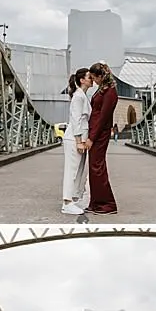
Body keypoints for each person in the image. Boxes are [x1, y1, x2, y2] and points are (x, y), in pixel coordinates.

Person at [84, 62, 118, 215]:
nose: (93, 81)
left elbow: (103, 117)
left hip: (100, 133)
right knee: (94, 167)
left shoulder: (110, 92)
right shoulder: (103, 89)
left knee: (97, 168)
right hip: (96, 131)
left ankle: (107, 204)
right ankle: (95, 202)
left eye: (94, 78)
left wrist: (92, 137)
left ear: (100, 76)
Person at [60, 68, 91, 216]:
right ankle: (66, 203)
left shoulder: (82, 96)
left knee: (78, 171)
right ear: (82, 80)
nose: (91, 79)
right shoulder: (78, 96)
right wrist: (79, 141)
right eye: (88, 77)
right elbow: (76, 119)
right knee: (71, 171)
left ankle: (73, 199)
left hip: (79, 138)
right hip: (74, 138)